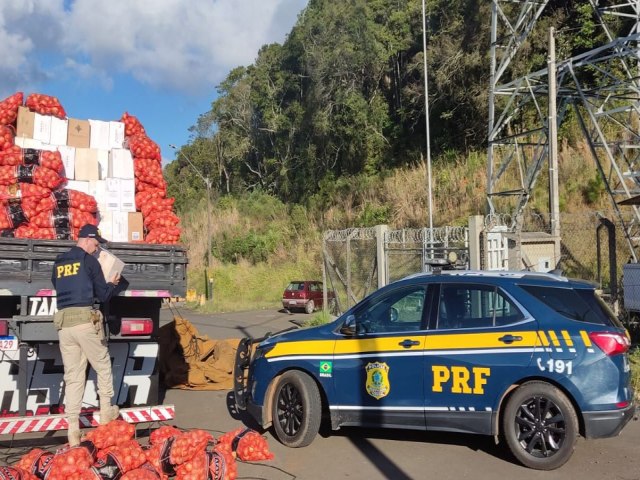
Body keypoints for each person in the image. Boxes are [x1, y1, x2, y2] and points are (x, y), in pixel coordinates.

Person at [51, 224, 121, 446]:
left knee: (73, 375)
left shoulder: (59, 262)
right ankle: (107, 412)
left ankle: (73, 431)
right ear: (88, 239)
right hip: (84, 321)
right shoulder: (90, 262)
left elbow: (58, 285)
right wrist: (112, 284)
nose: (97, 248)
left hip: (64, 324)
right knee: (102, 365)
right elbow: (103, 295)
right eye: (96, 243)